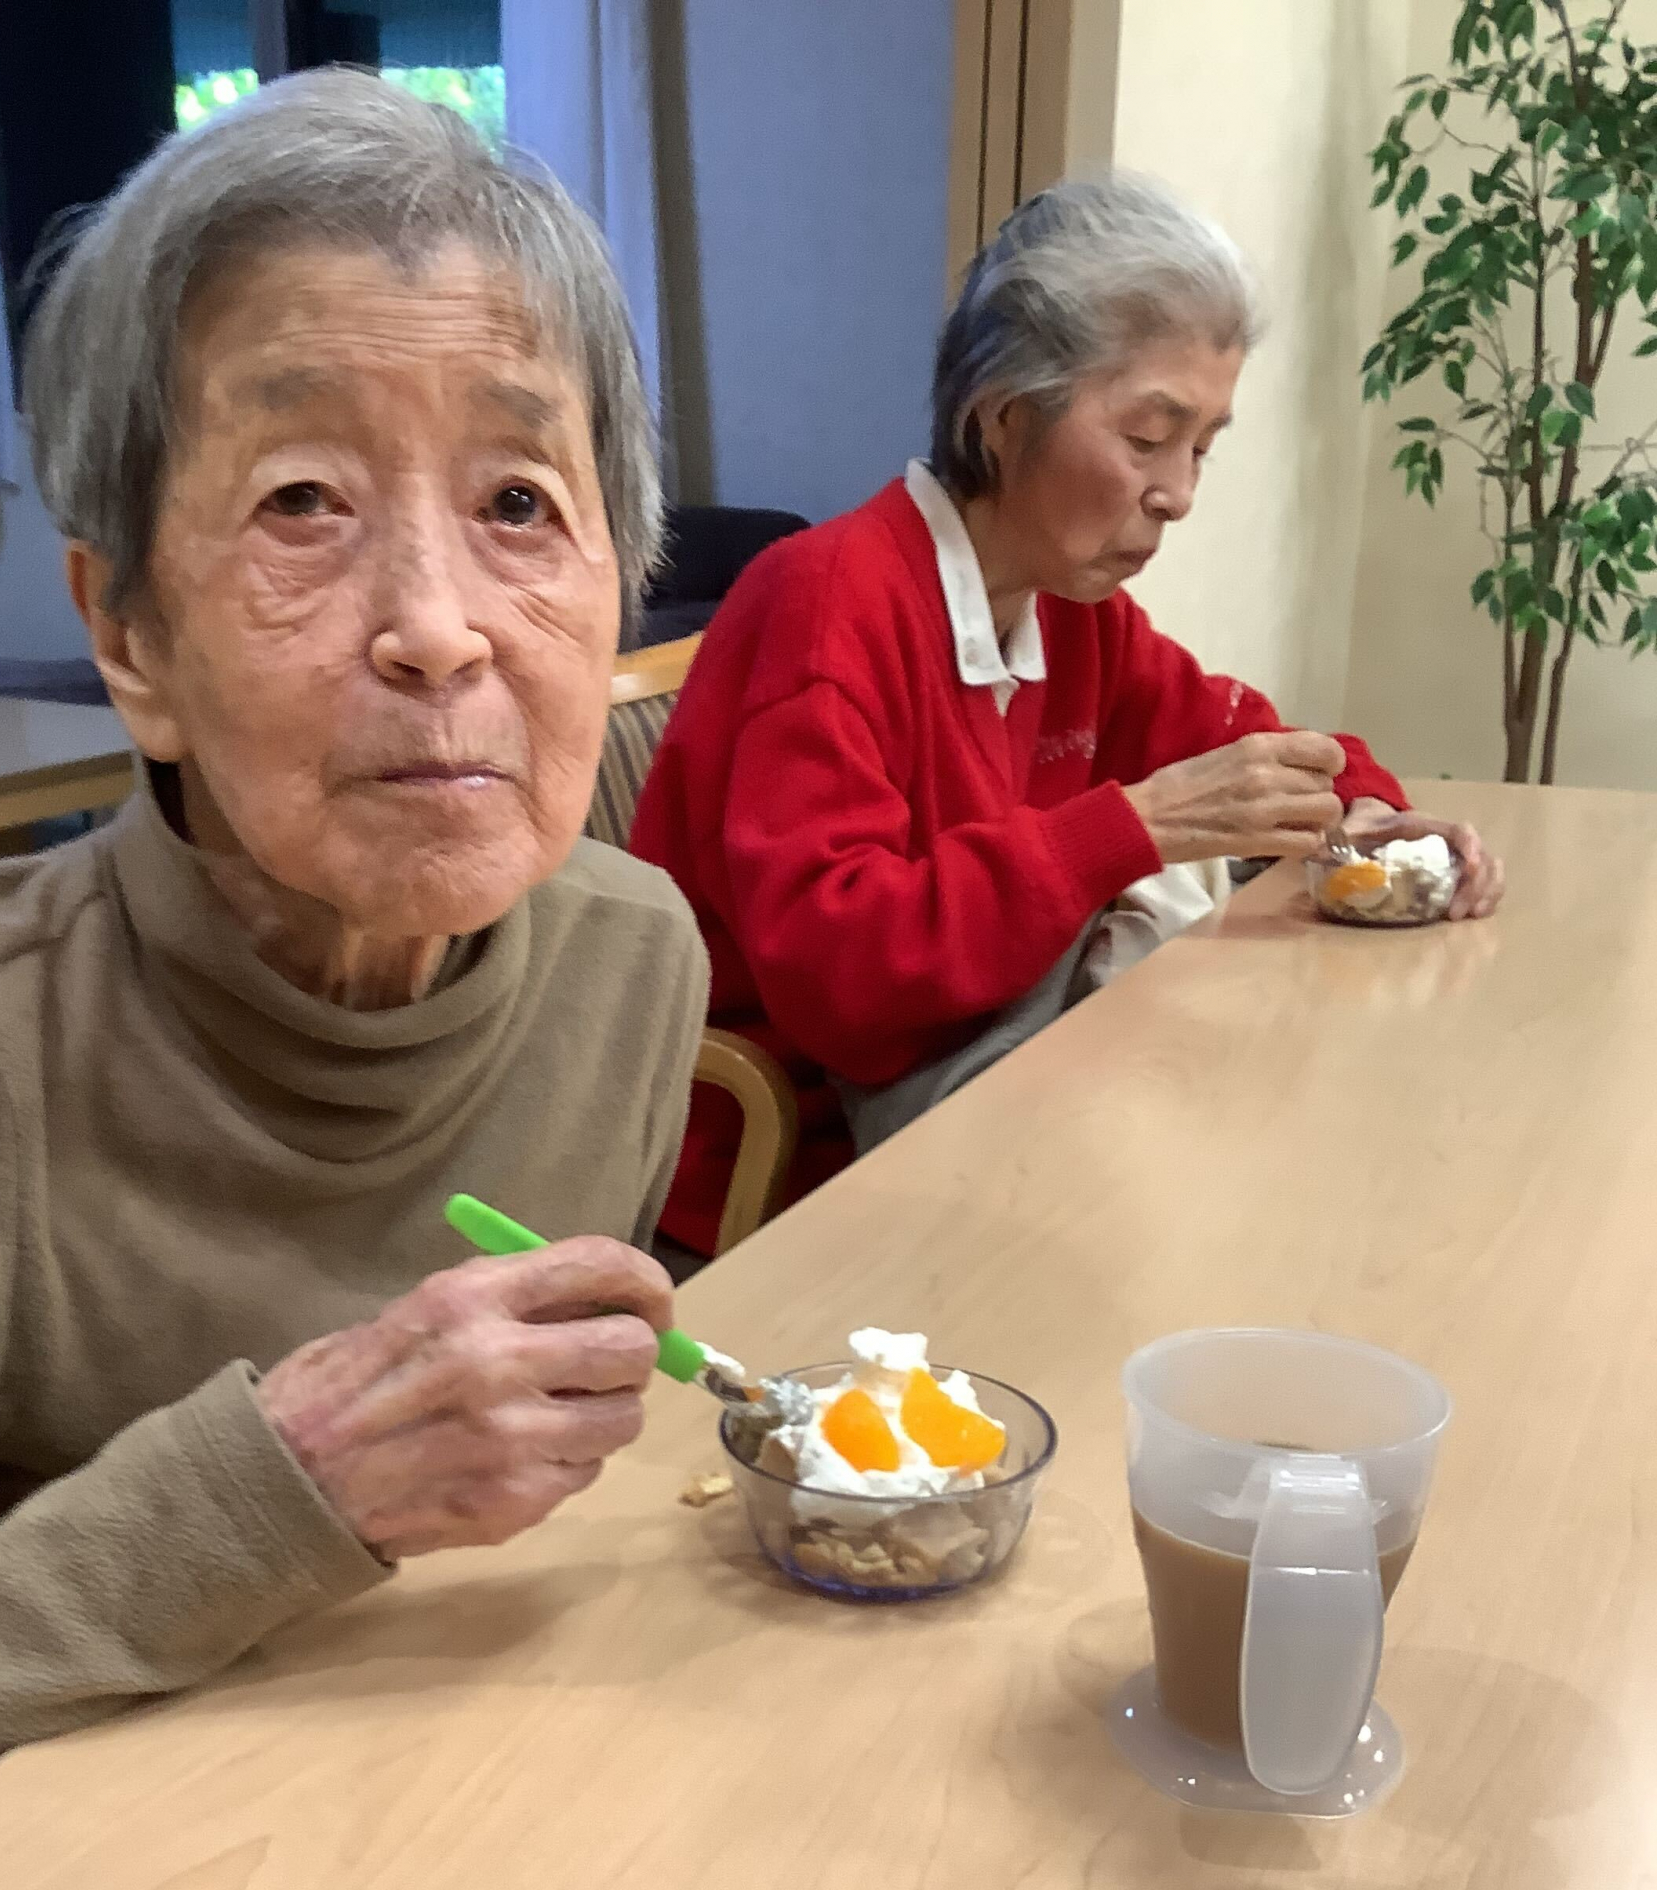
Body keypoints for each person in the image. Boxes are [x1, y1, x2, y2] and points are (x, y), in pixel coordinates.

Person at [0, 72, 708, 1890]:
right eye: (302, 503)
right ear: (130, 639)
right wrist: (280, 1486)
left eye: (519, 501)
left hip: (424, 1872)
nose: (439, 627)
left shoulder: (634, 963)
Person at [629, 174, 1504, 1257]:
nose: (1180, 493)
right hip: (790, 1171)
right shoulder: (822, 602)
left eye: (1202, 446)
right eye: (1149, 437)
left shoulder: (1071, 611)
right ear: (1003, 419)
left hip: (992, 1098)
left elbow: (1239, 736)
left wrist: (1365, 816)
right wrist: (1130, 829)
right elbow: (843, 981)